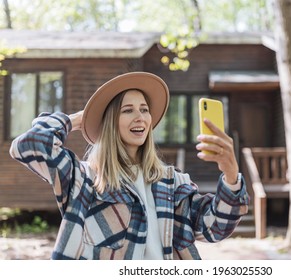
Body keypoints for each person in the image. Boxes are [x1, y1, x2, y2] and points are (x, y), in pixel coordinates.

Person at [9, 71, 249, 260]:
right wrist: (76, 120)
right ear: (111, 123)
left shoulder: (171, 182)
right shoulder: (83, 179)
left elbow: (215, 227)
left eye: (144, 110)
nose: (140, 117)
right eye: (128, 110)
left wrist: (230, 174)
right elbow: (28, 146)